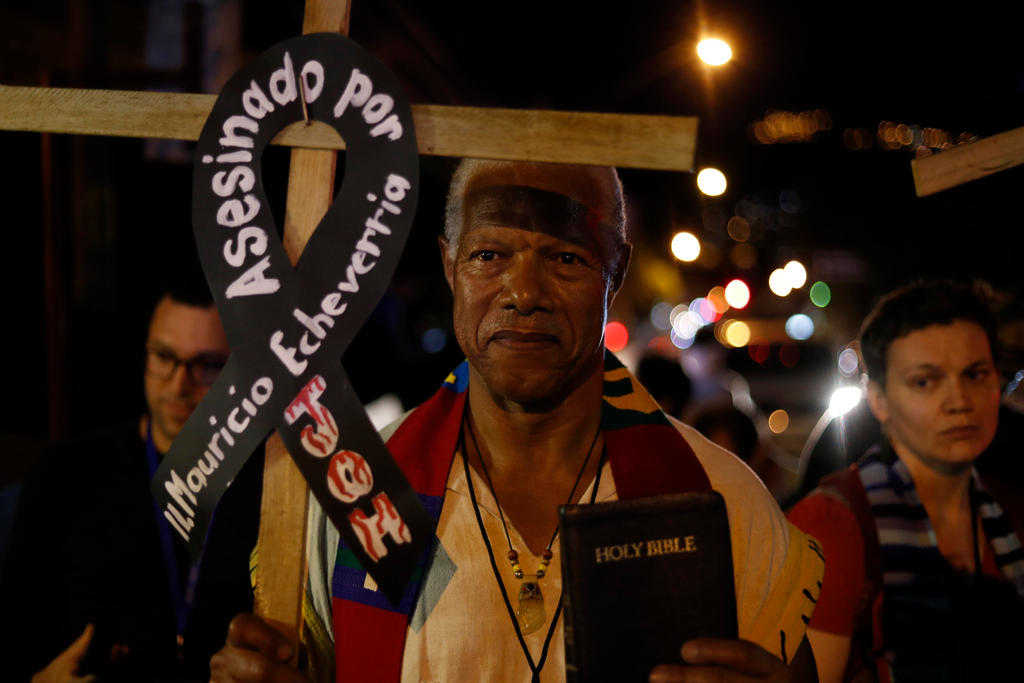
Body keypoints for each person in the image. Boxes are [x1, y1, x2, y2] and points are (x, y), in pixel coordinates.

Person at [210, 160, 824, 682]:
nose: (523, 291)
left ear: (618, 270)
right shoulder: (351, 490)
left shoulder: (723, 499)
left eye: (565, 256)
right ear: (449, 264)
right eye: (488, 254)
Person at [0, 271, 262, 682]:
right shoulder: (65, 472)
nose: (178, 385)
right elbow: (12, 633)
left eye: (207, 365)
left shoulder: (275, 488)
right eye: (163, 357)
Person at [788, 280, 1024, 682]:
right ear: (877, 398)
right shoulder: (834, 526)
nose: (959, 401)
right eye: (924, 381)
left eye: (976, 374)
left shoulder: (1011, 509)